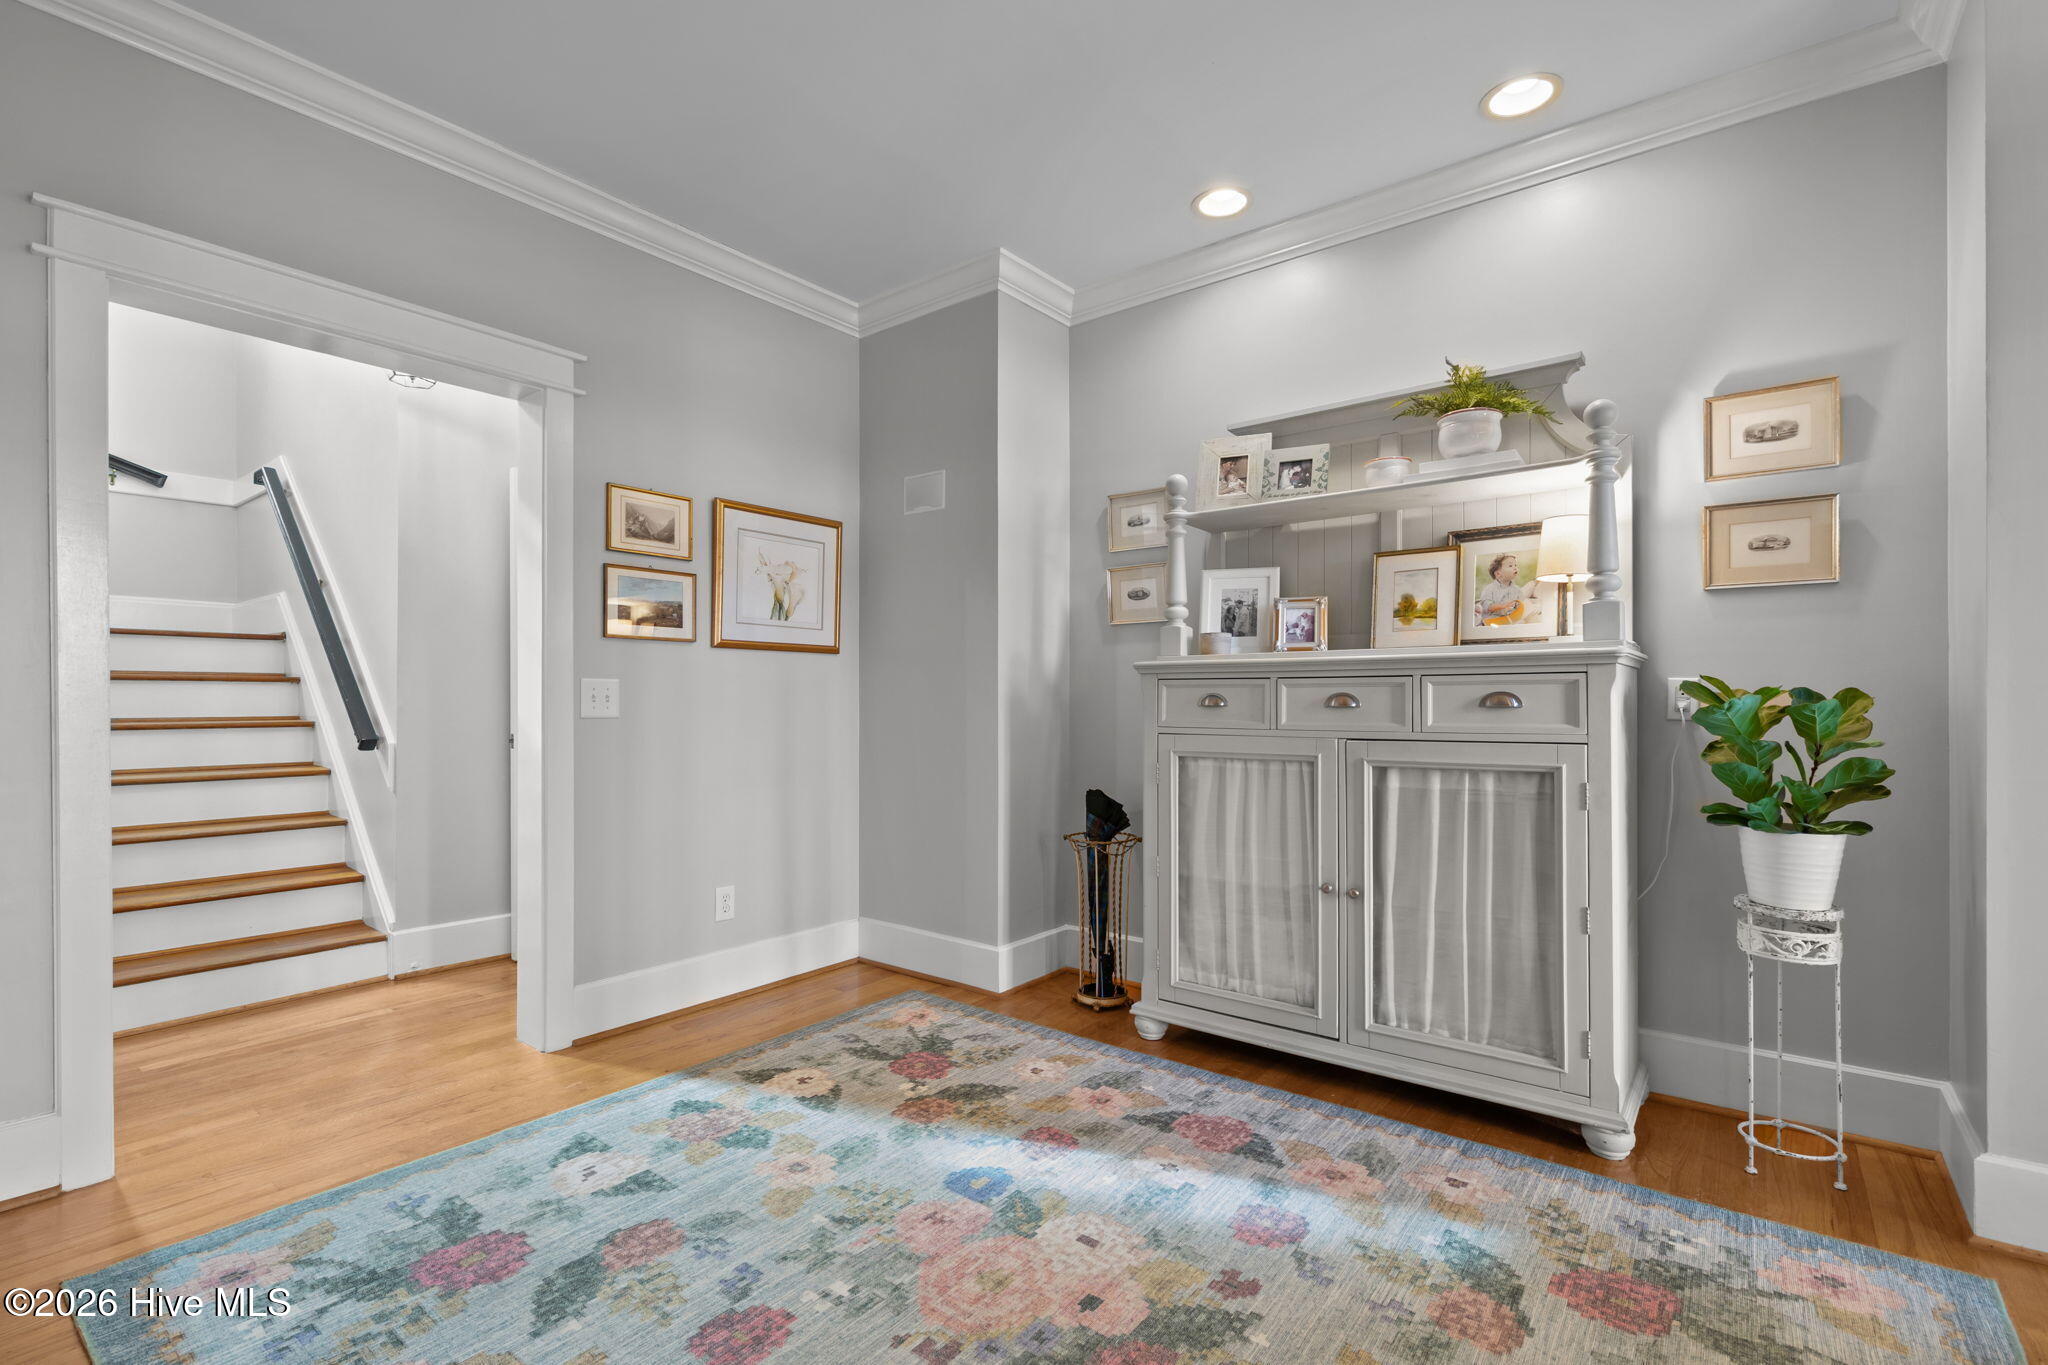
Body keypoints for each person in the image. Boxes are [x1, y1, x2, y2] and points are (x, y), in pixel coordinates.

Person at [1474, 552, 1533, 627]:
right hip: (1492, 620)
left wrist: (1518, 606)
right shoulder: (1489, 589)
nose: (1515, 568)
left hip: (1510, 619)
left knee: (1523, 618)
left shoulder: (1517, 590)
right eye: (1510, 566)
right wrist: (1503, 606)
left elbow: (1521, 605)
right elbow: (1486, 606)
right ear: (1498, 574)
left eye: (1515, 565)